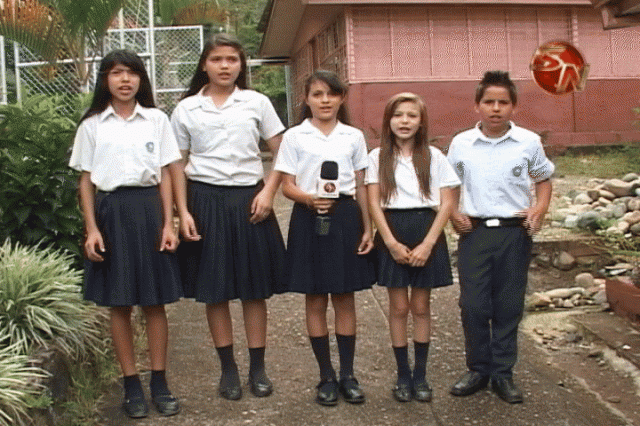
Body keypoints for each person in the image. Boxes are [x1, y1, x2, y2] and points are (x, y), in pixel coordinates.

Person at [170, 33, 286, 401]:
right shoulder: (186, 108)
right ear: (204, 64)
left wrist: (268, 191)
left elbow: (282, 151)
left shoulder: (256, 102)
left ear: (241, 65)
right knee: (214, 291)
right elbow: (176, 165)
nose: (225, 66)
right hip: (203, 200)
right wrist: (182, 212)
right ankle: (228, 370)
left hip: (250, 200)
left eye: (232, 60)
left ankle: (258, 368)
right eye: (217, 59)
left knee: (254, 291)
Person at [69, 50, 182, 418]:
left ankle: (159, 382)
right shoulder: (92, 126)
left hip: (149, 210)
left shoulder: (156, 119)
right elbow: (85, 182)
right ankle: (131, 384)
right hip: (110, 212)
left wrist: (169, 222)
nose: (125, 80)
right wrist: (91, 229)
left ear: (141, 79)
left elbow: (166, 173)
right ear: (105, 80)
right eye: (116, 73)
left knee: (154, 302)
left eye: (132, 73)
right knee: (119, 304)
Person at [447, 71, 554, 404]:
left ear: (513, 106)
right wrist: (453, 215)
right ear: (477, 105)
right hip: (474, 234)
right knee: (474, 305)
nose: (496, 108)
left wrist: (539, 209)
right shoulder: (461, 143)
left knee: (508, 306)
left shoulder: (528, 142)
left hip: (514, 234)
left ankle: (503, 374)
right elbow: (448, 185)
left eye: (503, 102)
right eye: (489, 102)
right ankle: (478, 369)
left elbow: (544, 179)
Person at [274, 69, 375, 406]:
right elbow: (286, 184)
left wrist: (368, 227)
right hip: (308, 217)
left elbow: (361, 184)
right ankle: (326, 376)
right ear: (306, 99)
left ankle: (348, 374)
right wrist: (306, 198)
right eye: (317, 94)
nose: (325, 100)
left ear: (341, 98)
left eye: (331, 94)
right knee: (315, 298)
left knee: (345, 296)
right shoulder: (295, 137)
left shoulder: (353, 136)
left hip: (345, 216)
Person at [367, 93, 460, 403]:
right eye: (398, 115)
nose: (404, 121)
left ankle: (420, 375)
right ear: (388, 120)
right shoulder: (377, 157)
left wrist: (428, 244)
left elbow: (447, 203)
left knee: (420, 308)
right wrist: (390, 242)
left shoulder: (434, 156)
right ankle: (402, 374)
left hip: (426, 231)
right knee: (399, 308)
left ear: (421, 122)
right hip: (393, 231)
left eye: (411, 115)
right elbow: (373, 202)